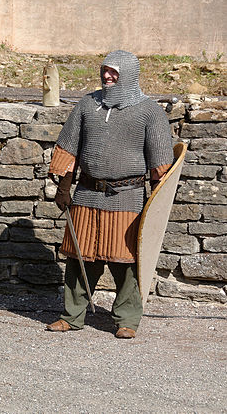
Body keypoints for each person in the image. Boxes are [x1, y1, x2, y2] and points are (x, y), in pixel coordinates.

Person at [46, 50, 173, 339]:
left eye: (113, 72)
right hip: (87, 193)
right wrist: (64, 188)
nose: (107, 76)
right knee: (80, 258)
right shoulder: (87, 105)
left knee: (125, 261)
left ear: (127, 74)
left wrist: (156, 203)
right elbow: (70, 148)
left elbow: (160, 164)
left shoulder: (149, 111)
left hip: (127, 196)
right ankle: (72, 316)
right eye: (104, 70)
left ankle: (126, 319)